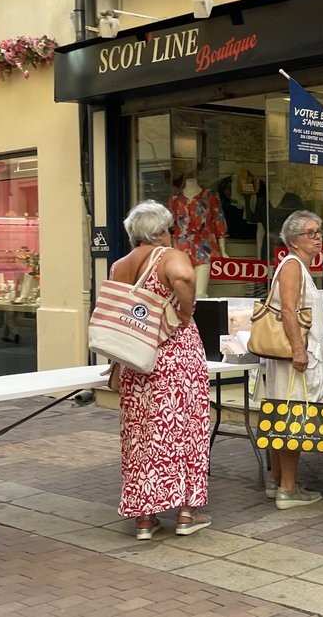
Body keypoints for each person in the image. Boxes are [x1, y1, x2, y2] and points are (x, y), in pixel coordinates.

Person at [113, 200, 211, 540]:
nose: (173, 235)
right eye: (170, 229)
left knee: (143, 435)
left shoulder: (120, 265)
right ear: (158, 232)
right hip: (174, 355)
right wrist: (185, 310)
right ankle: (186, 511)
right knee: (184, 427)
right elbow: (184, 276)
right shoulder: (169, 256)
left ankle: (144, 518)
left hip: (137, 358)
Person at [261, 209, 323, 509]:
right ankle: (288, 487)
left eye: (320, 232)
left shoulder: (297, 266)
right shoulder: (292, 266)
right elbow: (288, 310)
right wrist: (299, 349)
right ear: (293, 240)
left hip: (293, 356)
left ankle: (278, 481)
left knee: (283, 414)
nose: (319, 238)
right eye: (311, 233)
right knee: (294, 417)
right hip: (294, 358)